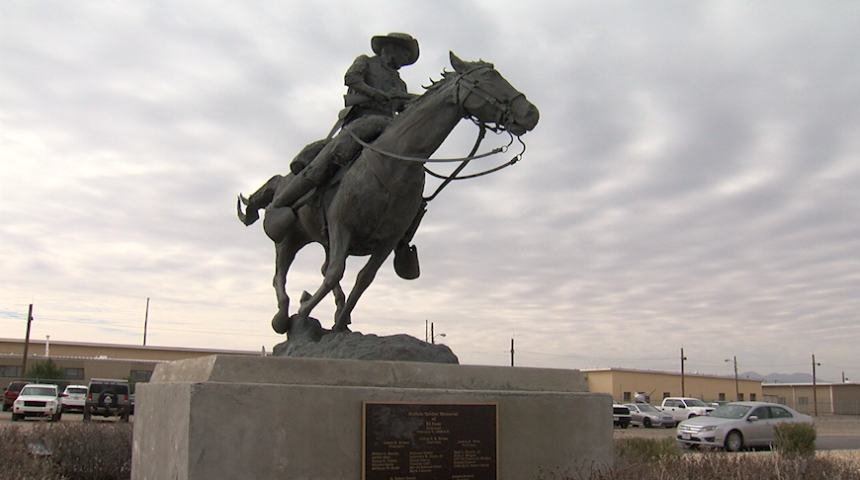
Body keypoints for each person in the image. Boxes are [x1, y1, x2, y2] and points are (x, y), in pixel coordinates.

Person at [264, 33, 423, 279]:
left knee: (412, 184)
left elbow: (402, 107)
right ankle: (283, 201)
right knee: (327, 160)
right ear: (390, 49)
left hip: (386, 132)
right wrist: (374, 94)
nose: (404, 60)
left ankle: (402, 238)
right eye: (404, 54)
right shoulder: (366, 63)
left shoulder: (399, 84)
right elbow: (351, 78)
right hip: (360, 126)